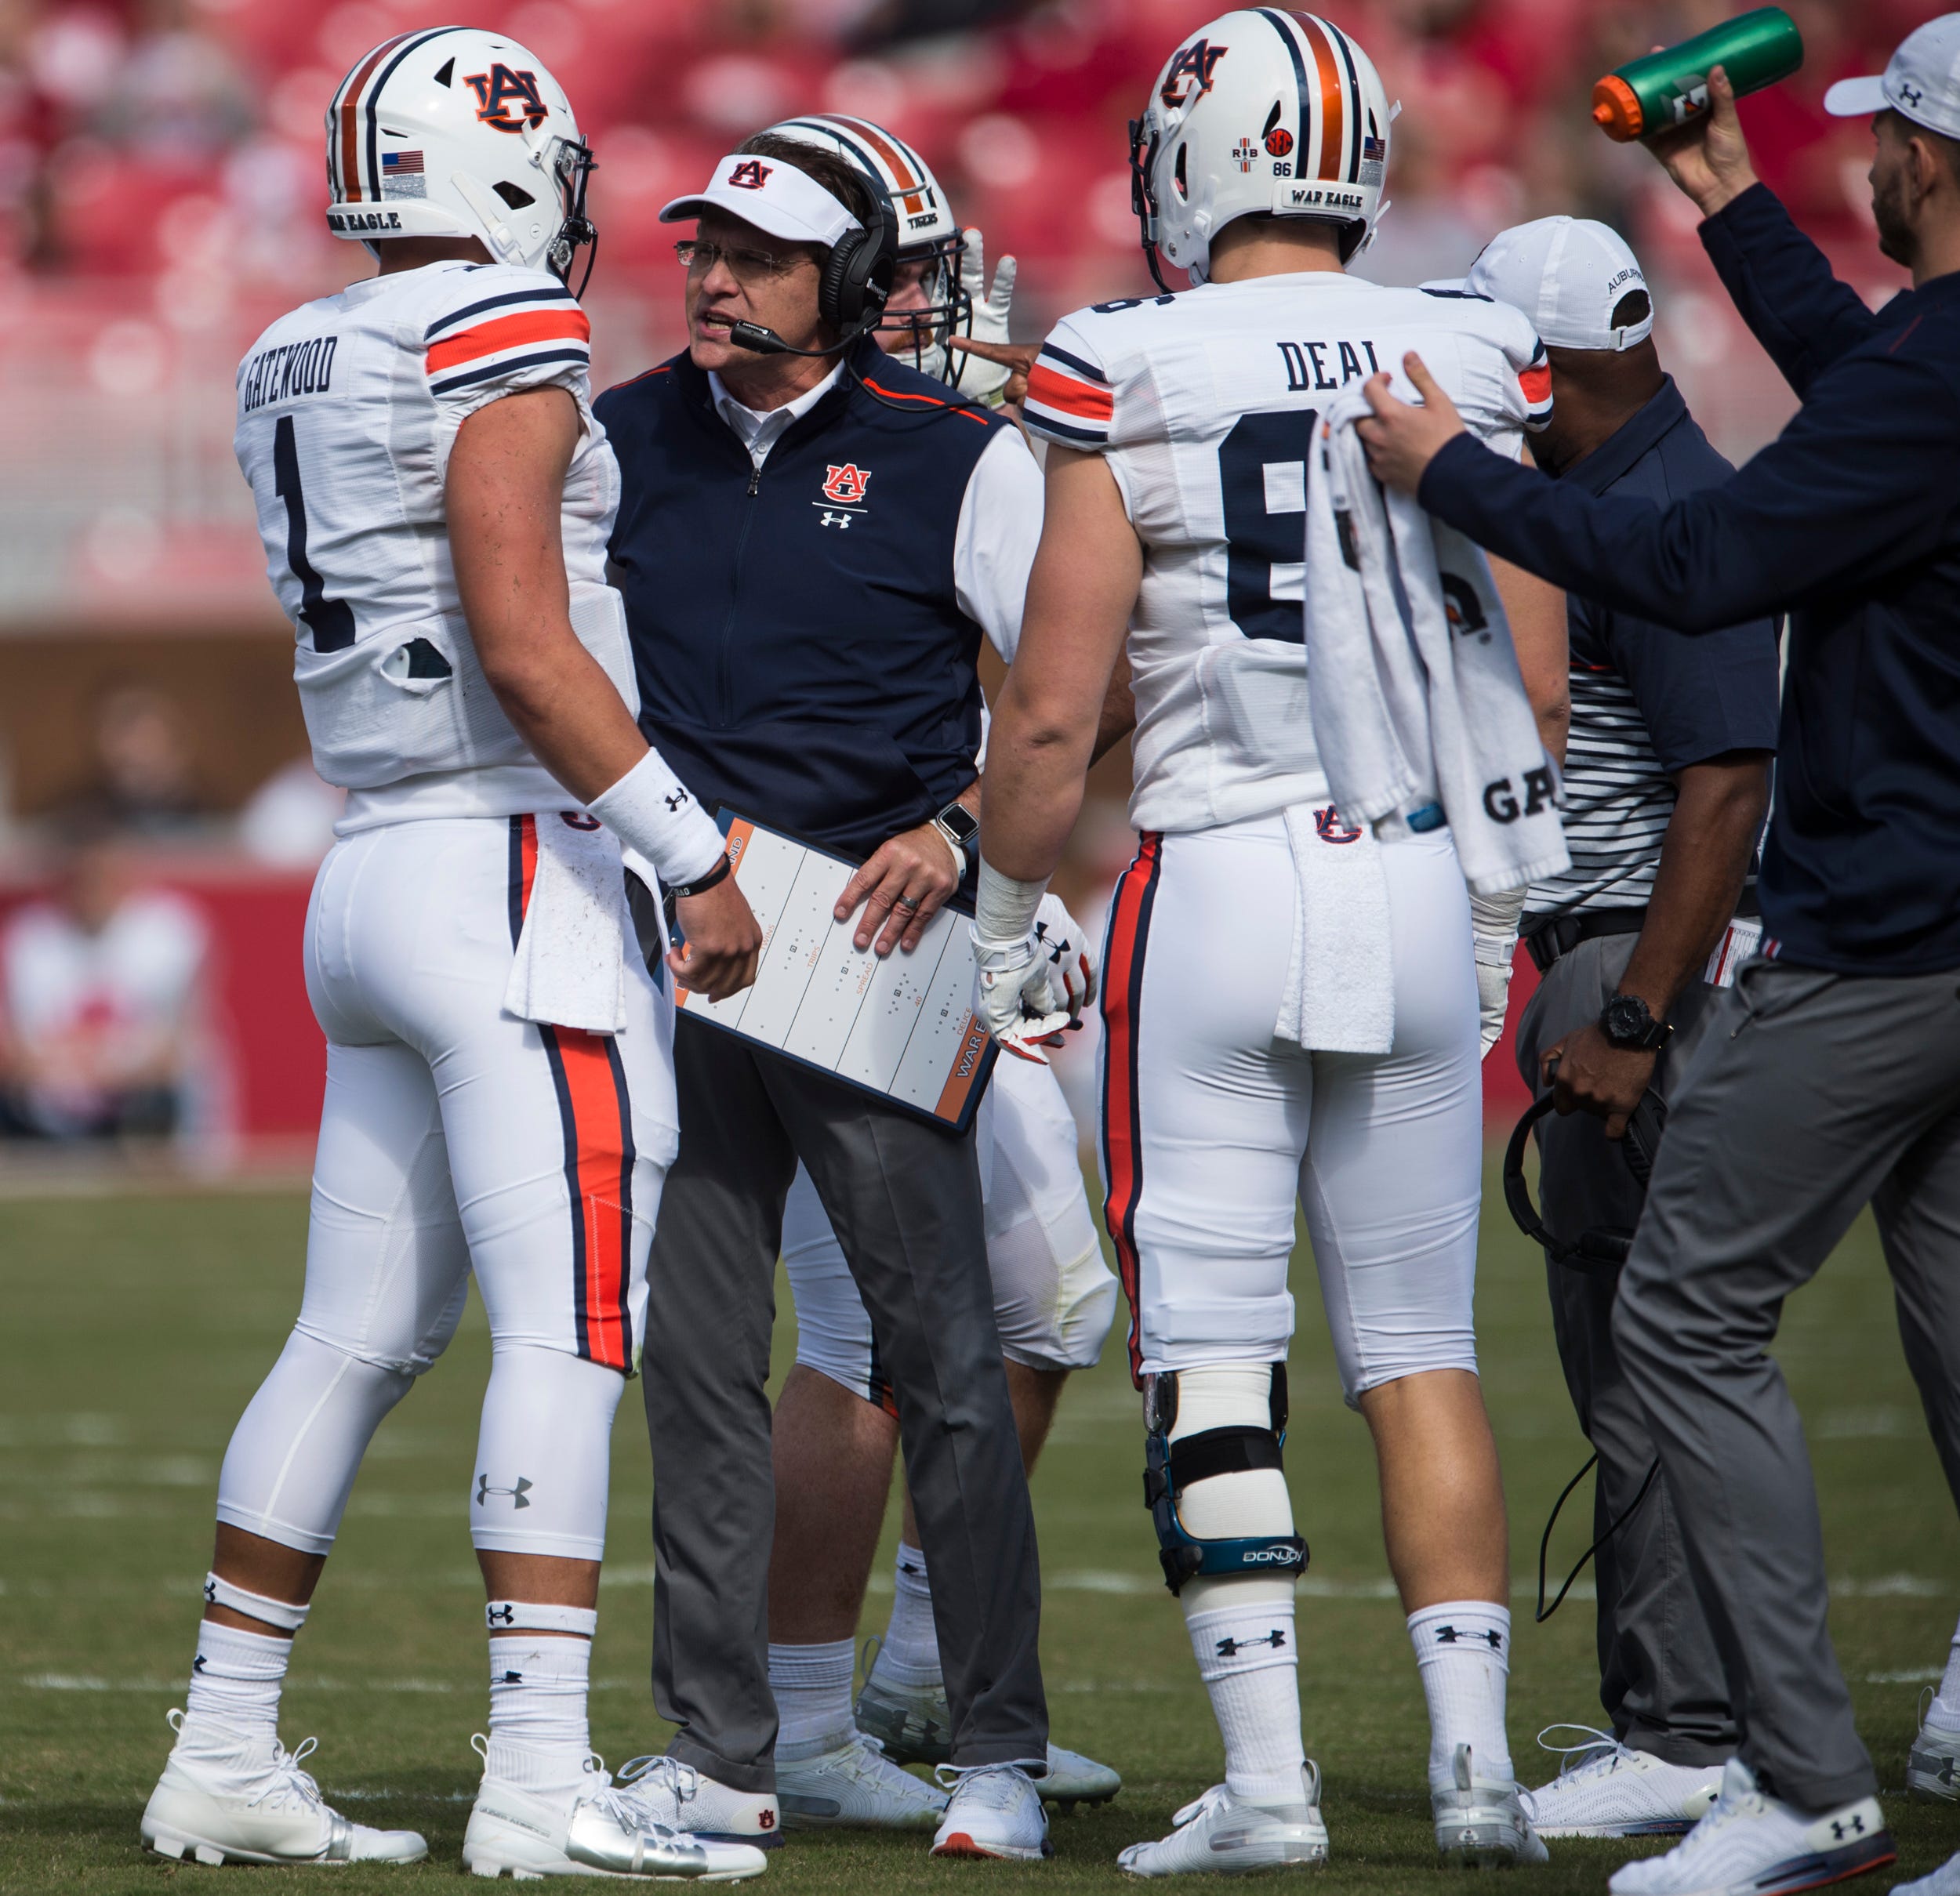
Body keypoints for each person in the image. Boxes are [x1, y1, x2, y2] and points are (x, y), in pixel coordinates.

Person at [139, 28, 764, 1881]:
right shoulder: (497, 326)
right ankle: (535, 1779)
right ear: (513, 173)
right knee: (567, 1335)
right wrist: (689, 849)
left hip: (371, 855)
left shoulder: (289, 345)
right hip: (516, 867)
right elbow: (519, 626)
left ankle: (224, 1750)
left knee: (352, 1331)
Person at [1353, 19, 1960, 1895]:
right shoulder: (1926, 366)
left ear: (1935, 160)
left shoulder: (1931, 370)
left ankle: (1794, 1777)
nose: (1874, 168)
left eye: (1889, 144)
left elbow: (1698, 567)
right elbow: (1870, 379)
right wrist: (1726, 201)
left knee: (1684, 1317)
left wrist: (1451, 467)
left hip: (1888, 924)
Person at [974, 9, 1557, 1873]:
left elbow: (1057, 714)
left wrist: (1002, 905)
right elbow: (1519, 670)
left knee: (1212, 1345)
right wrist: (1492, 902)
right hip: (1410, 866)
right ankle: (1473, 1767)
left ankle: (1276, 1782)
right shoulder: (1468, 339)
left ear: (1192, 162)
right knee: (1422, 1343)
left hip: (1216, 875)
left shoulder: (1123, 358)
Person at [595, 132, 1057, 1862]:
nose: (715, 278)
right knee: (699, 1366)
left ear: (852, 285)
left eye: (761, 255)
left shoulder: (960, 455)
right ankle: (718, 1755)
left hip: (867, 952)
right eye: (705, 247)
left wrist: (957, 832)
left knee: (943, 1359)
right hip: (686, 944)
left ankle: (996, 1749)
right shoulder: (620, 429)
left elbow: (1074, 694)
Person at [739, 113, 1123, 1832]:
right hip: (852, 932)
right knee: (861, 1332)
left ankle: (894, 1677)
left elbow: (1057, 688)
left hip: (950, 917)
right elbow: (1039, 684)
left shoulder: (949, 447)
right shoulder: (847, 451)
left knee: (1045, 1305)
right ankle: (807, 1720)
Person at [1455, 218, 1779, 1840]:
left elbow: (1722, 782)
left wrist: (1636, 1015)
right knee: (1626, 1334)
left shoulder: (1664, 510)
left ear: (1559, 363)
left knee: (1648, 1343)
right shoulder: (1615, 488)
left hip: (1630, 964)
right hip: (1601, 952)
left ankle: (1686, 1724)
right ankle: (1681, 1711)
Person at [0, 816, 213, 1143]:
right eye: (83, 877)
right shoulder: (28, 939)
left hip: (139, 1113)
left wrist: (96, 1071)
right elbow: (14, 1055)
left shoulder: (170, 932)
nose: (94, 889)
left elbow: (176, 1053)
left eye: (103, 875)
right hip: (48, 1117)